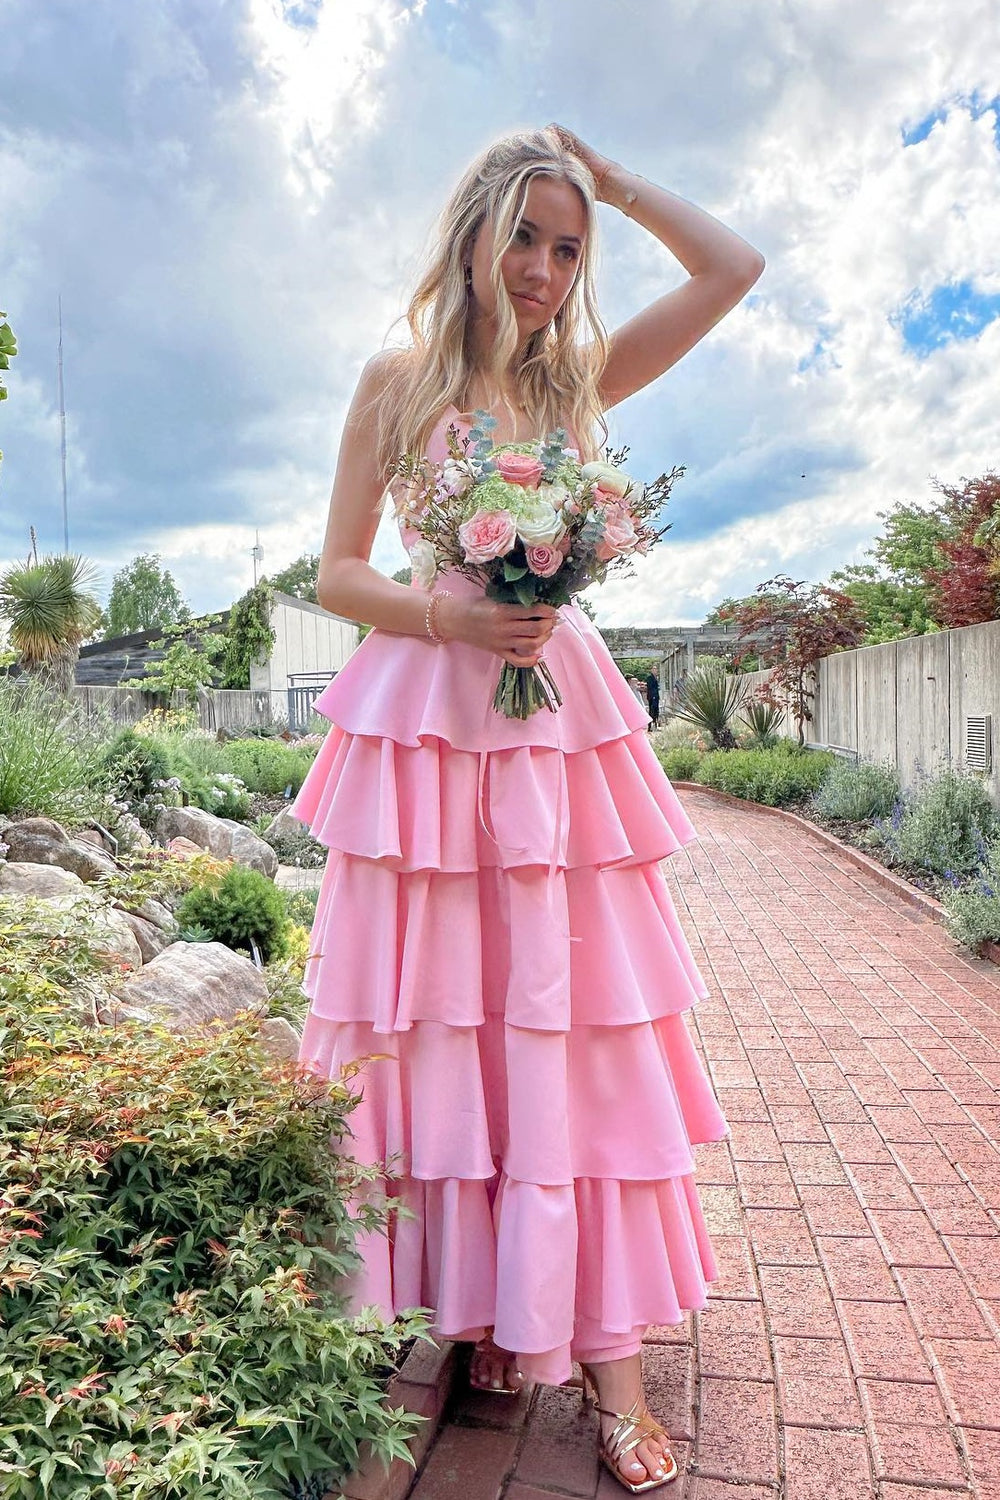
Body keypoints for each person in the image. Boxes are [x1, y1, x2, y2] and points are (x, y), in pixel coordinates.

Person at [292, 125, 764, 1494]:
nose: (550, 268)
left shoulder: (576, 386)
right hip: (433, 720)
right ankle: (480, 1311)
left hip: (555, 729)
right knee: (440, 1013)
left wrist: (618, 182)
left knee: (562, 1017)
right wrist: (444, 614)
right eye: (530, 235)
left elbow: (732, 268)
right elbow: (335, 574)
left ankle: (607, 1368)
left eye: (571, 245)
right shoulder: (396, 383)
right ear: (473, 234)